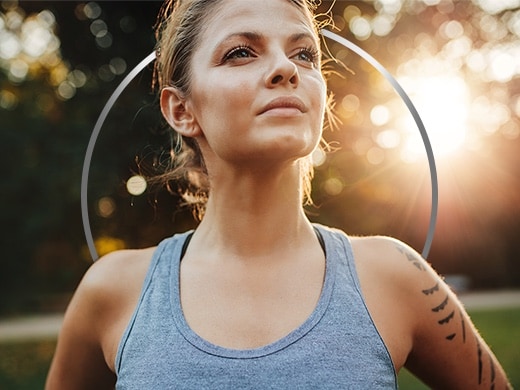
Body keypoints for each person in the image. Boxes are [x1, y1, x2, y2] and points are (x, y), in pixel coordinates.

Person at [45, 0, 512, 389]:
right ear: (182, 109)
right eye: (241, 53)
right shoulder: (112, 291)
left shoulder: (396, 276)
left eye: (305, 54)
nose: (287, 68)